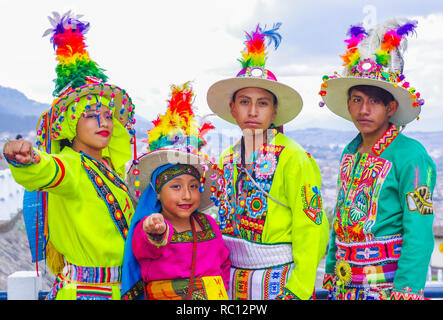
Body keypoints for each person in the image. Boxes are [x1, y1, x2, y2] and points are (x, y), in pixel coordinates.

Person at [2, 11, 137, 300]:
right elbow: (48, 169)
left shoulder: (109, 167)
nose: (103, 122)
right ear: (70, 125)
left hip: (120, 289)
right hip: (88, 293)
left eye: (107, 115)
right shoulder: (71, 165)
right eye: (90, 115)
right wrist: (26, 160)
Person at [206, 23, 329, 300]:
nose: (252, 111)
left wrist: (298, 289)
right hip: (233, 281)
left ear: (274, 111)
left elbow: (312, 228)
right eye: (244, 101)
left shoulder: (295, 157)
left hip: (279, 280)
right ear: (232, 108)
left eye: (262, 103)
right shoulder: (226, 159)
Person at [319, 19, 436, 300]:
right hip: (345, 284)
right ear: (348, 105)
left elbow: (418, 227)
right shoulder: (350, 152)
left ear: (391, 107)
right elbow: (341, 217)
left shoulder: (411, 155)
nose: (364, 109)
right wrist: (333, 268)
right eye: (357, 100)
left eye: (374, 102)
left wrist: (407, 288)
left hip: (388, 285)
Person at [121, 82, 230, 300]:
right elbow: (146, 246)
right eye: (176, 186)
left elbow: (224, 263)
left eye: (193, 186)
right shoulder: (151, 225)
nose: (187, 195)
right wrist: (156, 230)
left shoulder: (208, 225)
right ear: (157, 193)